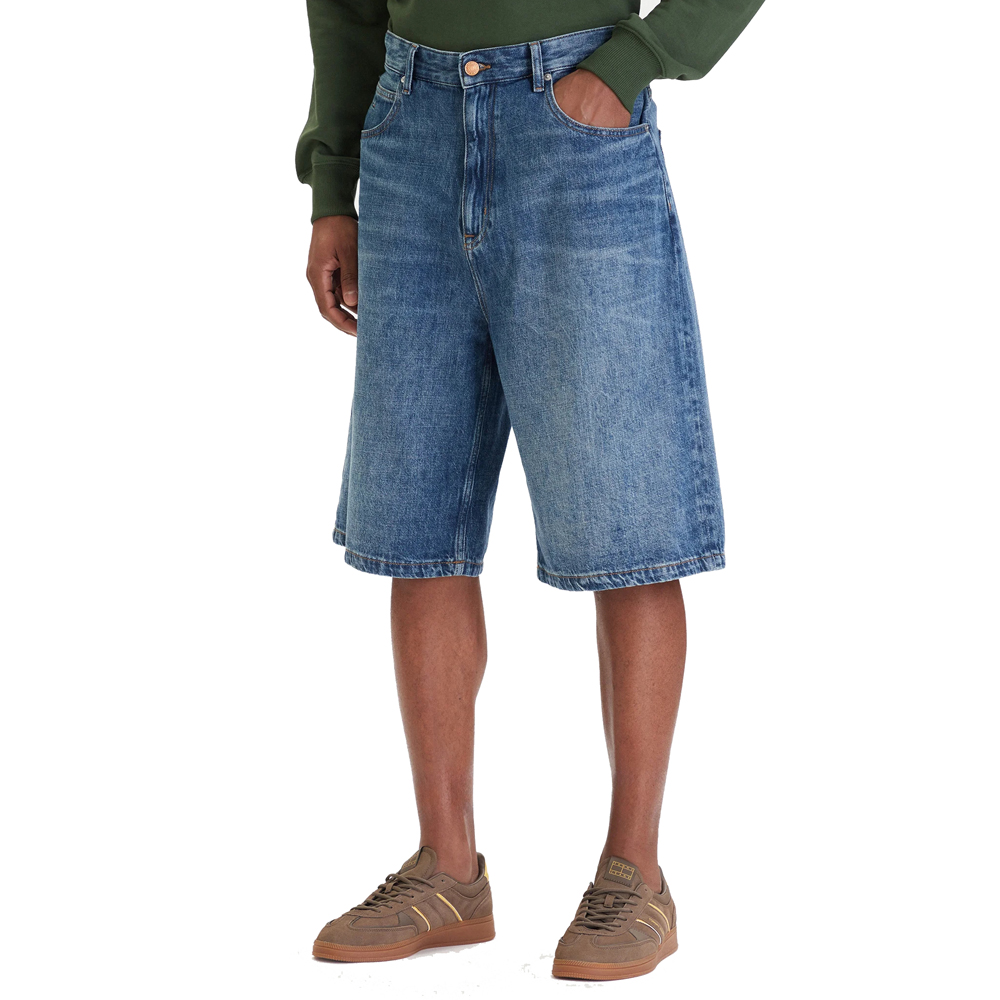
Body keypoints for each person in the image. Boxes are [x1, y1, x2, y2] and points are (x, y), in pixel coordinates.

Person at [298, 0, 763, 981]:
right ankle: (447, 870)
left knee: (626, 518)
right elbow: (342, 6)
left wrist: (632, 64)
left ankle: (635, 875)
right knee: (417, 520)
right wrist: (333, 184)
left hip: (573, 122)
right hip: (407, 128)